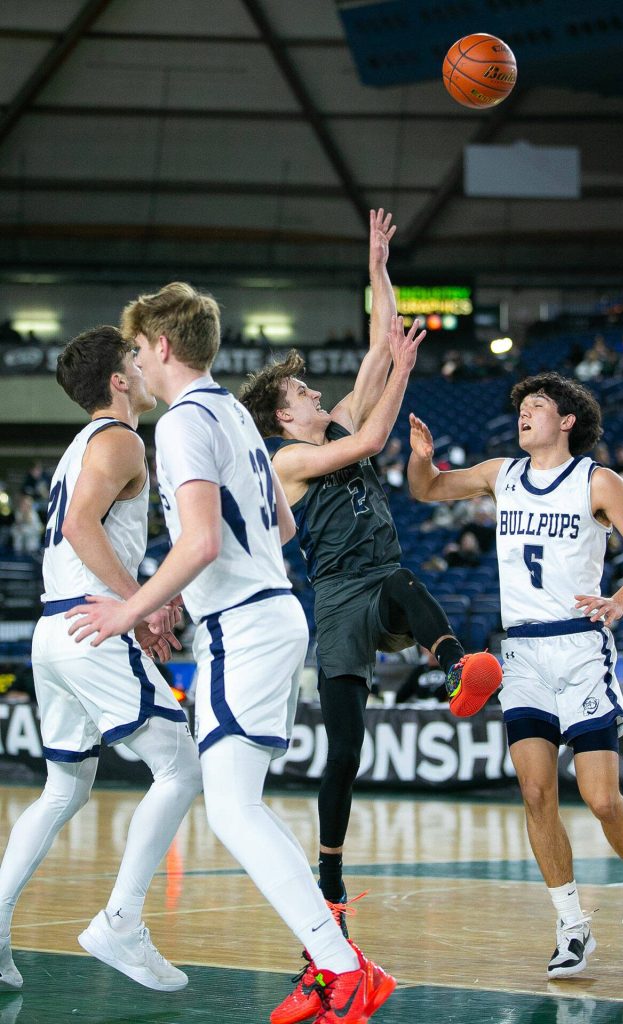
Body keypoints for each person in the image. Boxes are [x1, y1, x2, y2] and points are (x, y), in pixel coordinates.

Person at [65, 283, 396, 1024]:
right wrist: (193, 576)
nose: (137, 364)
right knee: (239, 805)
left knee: (234, 810)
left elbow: (206, 540)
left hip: (244, 626)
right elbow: (275, 526)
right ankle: (329, 963)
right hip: (271, 612)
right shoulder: (233, 419)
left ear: (161, 348)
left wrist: (133, 605)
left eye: (138, 350)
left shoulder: (182, 422)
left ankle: (344, 970)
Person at [239, 209, 500, 927]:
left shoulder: (337, 418)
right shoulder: (287, 459)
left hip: (380, 579)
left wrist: (379, 267)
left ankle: (455, 665)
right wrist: (405, 370)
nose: (316, 395)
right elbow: (374, 436)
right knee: (346, 749)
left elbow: (378, 348)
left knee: (403, 576)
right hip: (335, 599)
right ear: (283, 419)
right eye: (301, 396)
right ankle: (328, 870)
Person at [407, 371, 623, 979]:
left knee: (602, 798)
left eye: (537, 406)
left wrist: (620, 602)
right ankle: (571, 923)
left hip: (579, 648)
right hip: (522, 653)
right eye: (521, 407)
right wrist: (422, 460)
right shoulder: (502, 473)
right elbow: (426, 491)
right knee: (535, 793)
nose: (524, 414)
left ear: (567, 420)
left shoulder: (596, 481)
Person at [0, 325, 203, 994]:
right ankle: (121, 920)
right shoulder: (119, 439)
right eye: (134, 362)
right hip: (91, 626)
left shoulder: (80, 447)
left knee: (65, 788)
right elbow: (78, 526)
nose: (146, 368)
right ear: (118, 380)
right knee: (180, 766)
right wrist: (140, 602)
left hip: (55, 629)